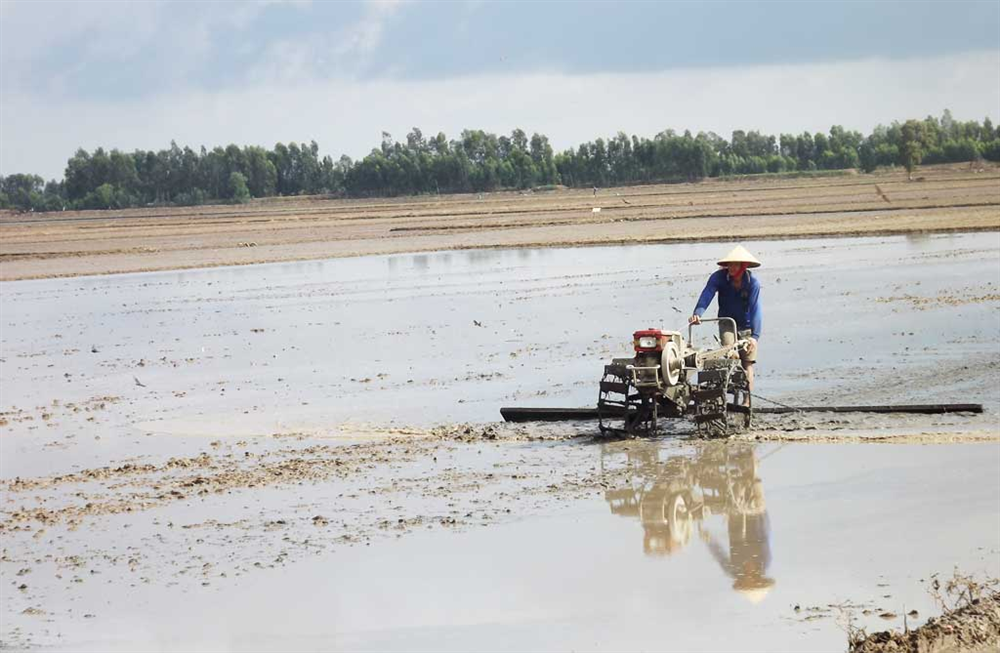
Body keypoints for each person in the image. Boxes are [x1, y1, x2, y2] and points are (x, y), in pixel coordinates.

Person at [688, 245, 762, 394]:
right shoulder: (718, 278)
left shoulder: (752, 283)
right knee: (730, 353)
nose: (732, 268)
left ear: (743, 266)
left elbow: (755, 309)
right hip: (727, 322)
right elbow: (707, 294)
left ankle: (747, 400)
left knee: (747, 362)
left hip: (747, 324)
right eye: (730, 264)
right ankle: (733, 386)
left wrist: (755, 337)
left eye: (736, 265)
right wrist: (698, 313)